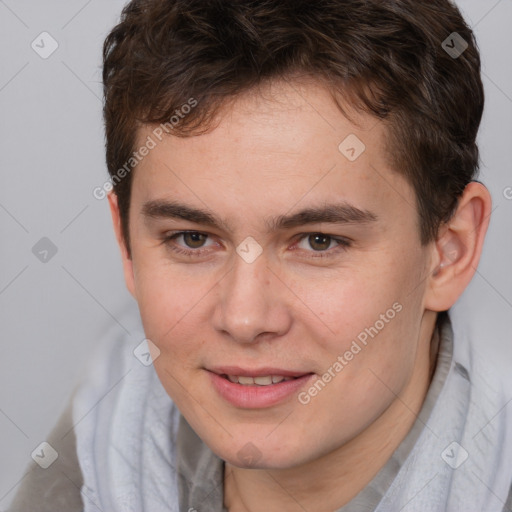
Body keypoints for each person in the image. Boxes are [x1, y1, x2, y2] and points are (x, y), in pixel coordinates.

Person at [8, 0, 512, 510]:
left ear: (450, 251)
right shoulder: (93, 455)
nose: (245, 318)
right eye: (192, 238)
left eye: (319, 241)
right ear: (126, 244)